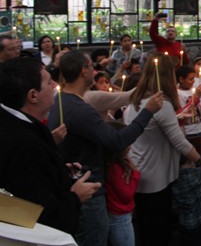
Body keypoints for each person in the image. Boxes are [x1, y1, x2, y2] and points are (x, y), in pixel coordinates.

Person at [47, 50, 163, 246]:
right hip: (89, 191)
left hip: (77, 185)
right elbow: (118, 141)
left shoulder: (61, 100)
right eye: (91, 67)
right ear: (84, 71)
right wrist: (148, 111)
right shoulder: (79, 109)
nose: (94, 71)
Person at [124, 54, 201, 246]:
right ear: (168, 76)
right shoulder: (161, 104)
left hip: (138, 169)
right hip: (156, 176)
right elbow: (180, 142)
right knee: (158, 232)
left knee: (145, 228)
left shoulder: (135, 100)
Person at [0, 57, 100, 235]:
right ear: (33, 95)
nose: (55, 85)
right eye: (48, 82)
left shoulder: (15, 124)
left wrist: (57, 170)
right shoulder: (24, 144)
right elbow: (41, 215)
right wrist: (76, 197)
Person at [105, 122, 140, 246]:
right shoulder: (114, 168)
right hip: (120, 217)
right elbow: (126, 195)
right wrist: (135, 174)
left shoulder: (112, 163)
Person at [175, 66, 201, 137]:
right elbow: (181, 113)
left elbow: (197, 107)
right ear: (181, 79)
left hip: (199, 128)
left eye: (194, 78)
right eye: (191, 79)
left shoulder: (194, 90)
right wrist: (196, 97)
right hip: (188, 131)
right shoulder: (177, 93)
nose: (193, 81)